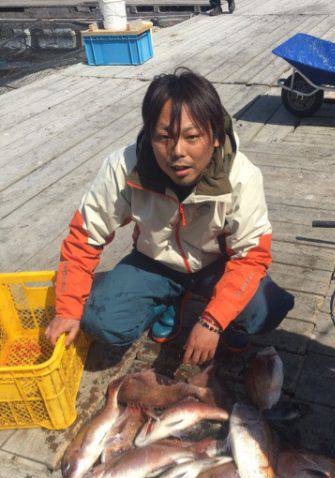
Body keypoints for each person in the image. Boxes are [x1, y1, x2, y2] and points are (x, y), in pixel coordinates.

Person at [45, 69, 294, 366]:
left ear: (215, 136)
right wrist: (68, 308)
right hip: (153, 261)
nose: (177, 152)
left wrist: (213, 322)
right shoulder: (123, 167)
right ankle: (169, 302)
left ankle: (229, 322)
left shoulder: (242, 176)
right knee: (100, 321)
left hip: (215, 263)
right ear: (150, 135)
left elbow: (251, 257)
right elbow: (83, 238)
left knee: (268, 308)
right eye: (164, 137)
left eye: (191, 137)